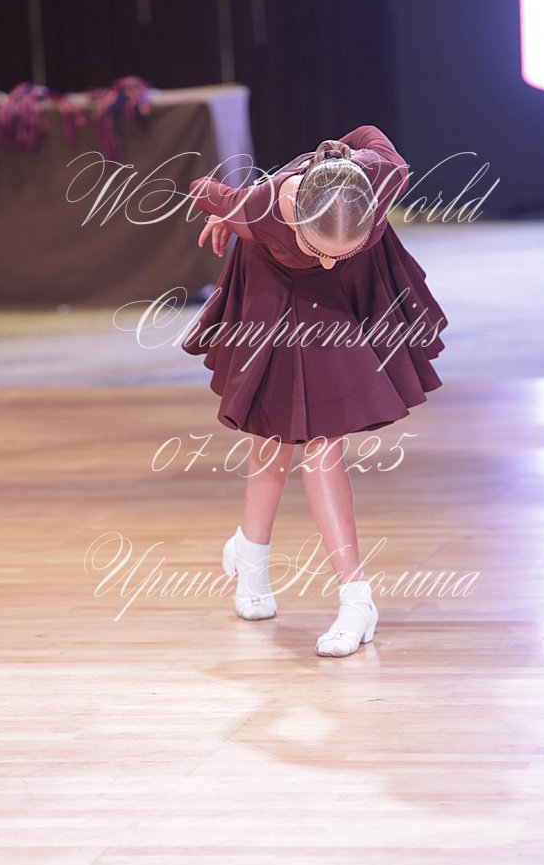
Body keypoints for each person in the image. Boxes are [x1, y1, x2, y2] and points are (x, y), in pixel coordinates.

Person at [184, 125, 447, 657]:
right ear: (298, 225)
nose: (328, 258)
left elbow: (368, 133)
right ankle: (251, 560)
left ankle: (356, 598)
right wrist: (230, 216)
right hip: (271, 284)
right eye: (318, 248)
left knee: (322, 441)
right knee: (272, 431)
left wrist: (338, 155)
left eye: (343, 251)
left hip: (338, 300)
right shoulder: (260, 208)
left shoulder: (383, 174)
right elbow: (202, 189)